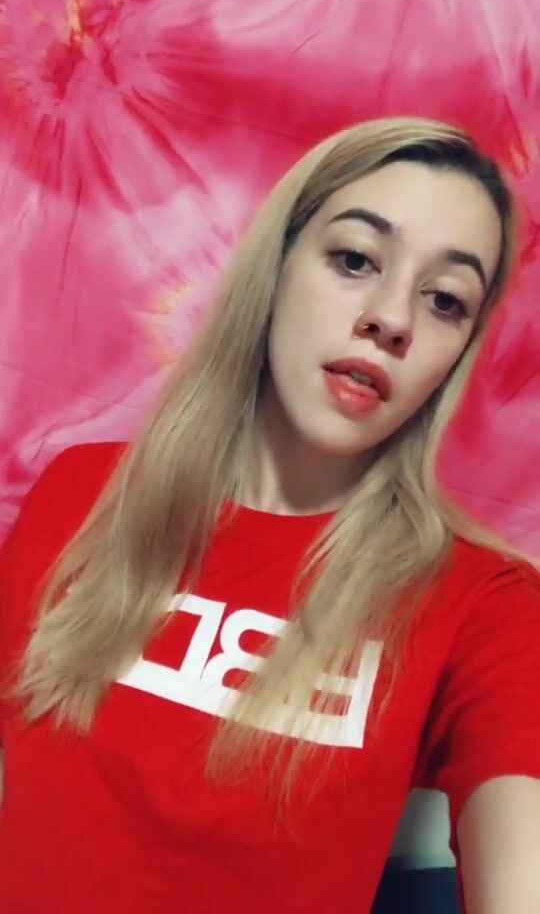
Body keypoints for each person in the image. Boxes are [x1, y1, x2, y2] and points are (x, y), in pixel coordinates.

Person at [0, 116, 539, 914]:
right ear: (277, 267)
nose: (392, 318)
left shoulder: (484, 604)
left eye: (445, 300)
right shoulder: (82, 494)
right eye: (355, 259)